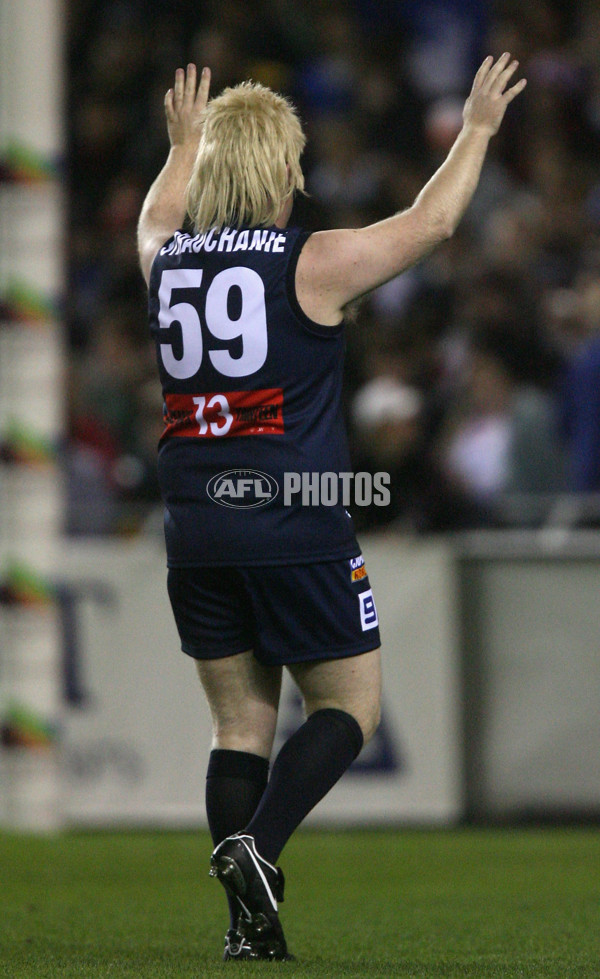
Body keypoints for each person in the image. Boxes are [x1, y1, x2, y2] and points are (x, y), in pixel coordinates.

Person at [137, 54, 526, 962]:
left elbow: (160, 212)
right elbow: (433, 222)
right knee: (349, 705)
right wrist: (473, 129)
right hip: (293, 511)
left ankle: (249, 929)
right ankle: (258, 853)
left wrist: (181, 146)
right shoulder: (309, 262)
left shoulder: (165, 260)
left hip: (193, 518)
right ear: (282, 170)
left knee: (239, 726)